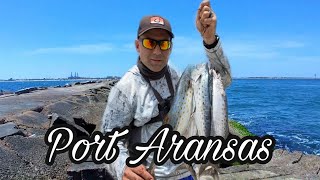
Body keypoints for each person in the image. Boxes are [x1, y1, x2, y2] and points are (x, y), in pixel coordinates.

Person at [101, 1, 231, 179]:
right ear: (137, 46)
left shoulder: (181, 76)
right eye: (149, 43)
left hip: (188, 171)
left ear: (170, 47)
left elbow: (221, 81)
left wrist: (210, 40)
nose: (157, 51)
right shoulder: (125, 89)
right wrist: (122, 167)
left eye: (163, 44)